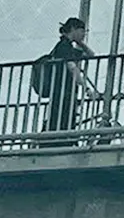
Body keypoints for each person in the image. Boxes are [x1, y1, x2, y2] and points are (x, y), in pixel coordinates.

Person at [42, 17, 100, 146]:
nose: (84, 34)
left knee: (63, 120)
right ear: (73, 29)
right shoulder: (63, 46)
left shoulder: (68, 46)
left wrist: (80, 43)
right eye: (82, 31)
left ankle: (59, 142)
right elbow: (72, 68)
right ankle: (59, 143)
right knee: (61, 120)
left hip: (65, 91)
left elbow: (91, 55)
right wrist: (87, 89)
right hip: (62, 92)